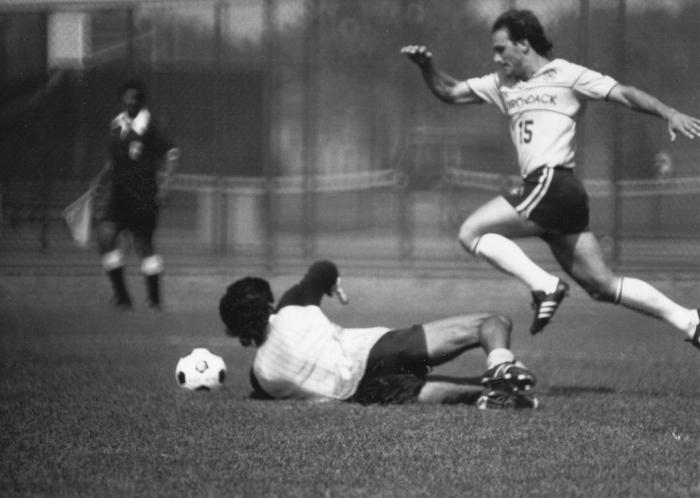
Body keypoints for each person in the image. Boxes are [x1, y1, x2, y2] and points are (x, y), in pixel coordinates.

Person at [401, 9, 700, 350]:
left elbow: (625, 93)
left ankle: (545, 286)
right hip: (557, 194)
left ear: (524, 44)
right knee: (601, 285)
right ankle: (689, 320)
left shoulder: (567, 74)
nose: (495, 57)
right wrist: (427, 68)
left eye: (501, 49)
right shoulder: (502, 84)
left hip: (551, 183)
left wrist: (668, 113)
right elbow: (450, 92)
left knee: (470, 231)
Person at [219, 260, 539, 409]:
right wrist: (332, 284)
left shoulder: (260, 377)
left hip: (368, 392)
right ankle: (499, 365)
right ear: (268, 302)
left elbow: (263, 393)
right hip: (379, 349)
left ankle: (496, 392)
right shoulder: (292, 306)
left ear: (236, 332)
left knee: (469, 394)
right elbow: (322, 269)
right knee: (492, 323)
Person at [91, 78, 180, 309]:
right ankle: (122, 297)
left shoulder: (152, 125)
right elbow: (113, 162)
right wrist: (100, 182)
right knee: (105, 238)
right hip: (119, 195)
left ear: (141, 101)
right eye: (127, 98)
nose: (131, 102)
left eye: (135, 98)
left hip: (143, 194)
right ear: (122, 100)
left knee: (143, 246)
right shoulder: (116, 125)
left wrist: (166, 186)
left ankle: (155, 299)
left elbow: (172, 153)